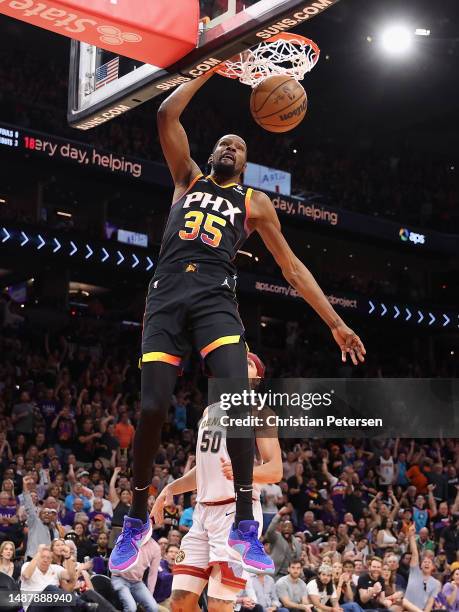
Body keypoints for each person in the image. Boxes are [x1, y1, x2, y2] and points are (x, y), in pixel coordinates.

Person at [108, 72, 366, 575]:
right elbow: (166, 115)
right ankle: (136, 521)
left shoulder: (254, 203)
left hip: (213, 296)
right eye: (225, 142)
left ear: (246, 165)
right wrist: (211, 64)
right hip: (165, 295)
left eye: (240, 146)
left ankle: (247, 525)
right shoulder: (186, 180)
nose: (231, 147)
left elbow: (292, 269)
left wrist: (334, 322)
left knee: (237, 403)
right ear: (210, 156)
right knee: (153, 406)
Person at [152, 353, 283, 612]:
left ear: (256, 378)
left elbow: (275, 470)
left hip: (236, 513)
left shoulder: (261, 412)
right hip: (203, 513)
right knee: (179, 603)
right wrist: (170, 488)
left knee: (218, 606)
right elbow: (203, 471)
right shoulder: (210, 411)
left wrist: (244, 472)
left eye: (246, 362)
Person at [111, 538, 162, 612]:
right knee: (131, 608)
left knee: (153, 608)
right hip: (119, 578)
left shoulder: (155, 547)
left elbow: (153, 574)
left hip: (137, 582)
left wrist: (149, 595)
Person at [403, 524, 441, 612]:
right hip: (406, 608)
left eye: (429, 562)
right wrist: (411, 536)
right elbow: (415, 553)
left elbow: (430, 603)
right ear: (420, 565)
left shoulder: (436, 583)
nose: (426, 563)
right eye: (424, 562)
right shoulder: (414, 571)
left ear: (433, 567)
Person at [266, 507, 302, 578]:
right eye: (285, 527)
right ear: (281, 528)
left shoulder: (296, 542)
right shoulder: (276, 537)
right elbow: (270, 531)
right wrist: (279, 515)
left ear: (292, 530)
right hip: (276, 573)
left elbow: (297, 560)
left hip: (291, 575)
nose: (287, 529)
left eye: (289, 528)